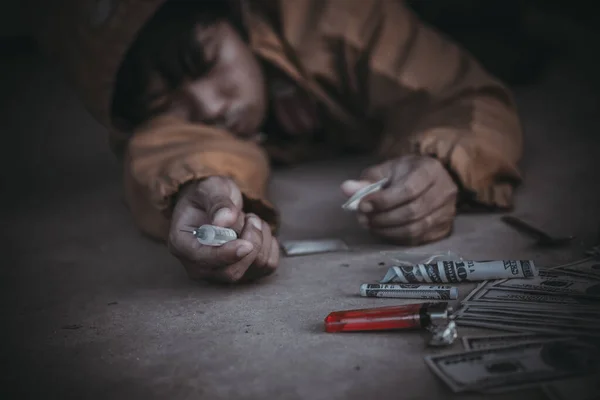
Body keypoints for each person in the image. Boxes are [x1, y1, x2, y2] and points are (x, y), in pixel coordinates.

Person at [35, 0, 523, 283]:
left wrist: (442, 165)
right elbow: (166, 147)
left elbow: (461, 96)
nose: (206, 107)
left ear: (236, 15)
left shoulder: (339, 17)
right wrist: (196, 187)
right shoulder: (161, 123)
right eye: (167, 103)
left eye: (203, 61)